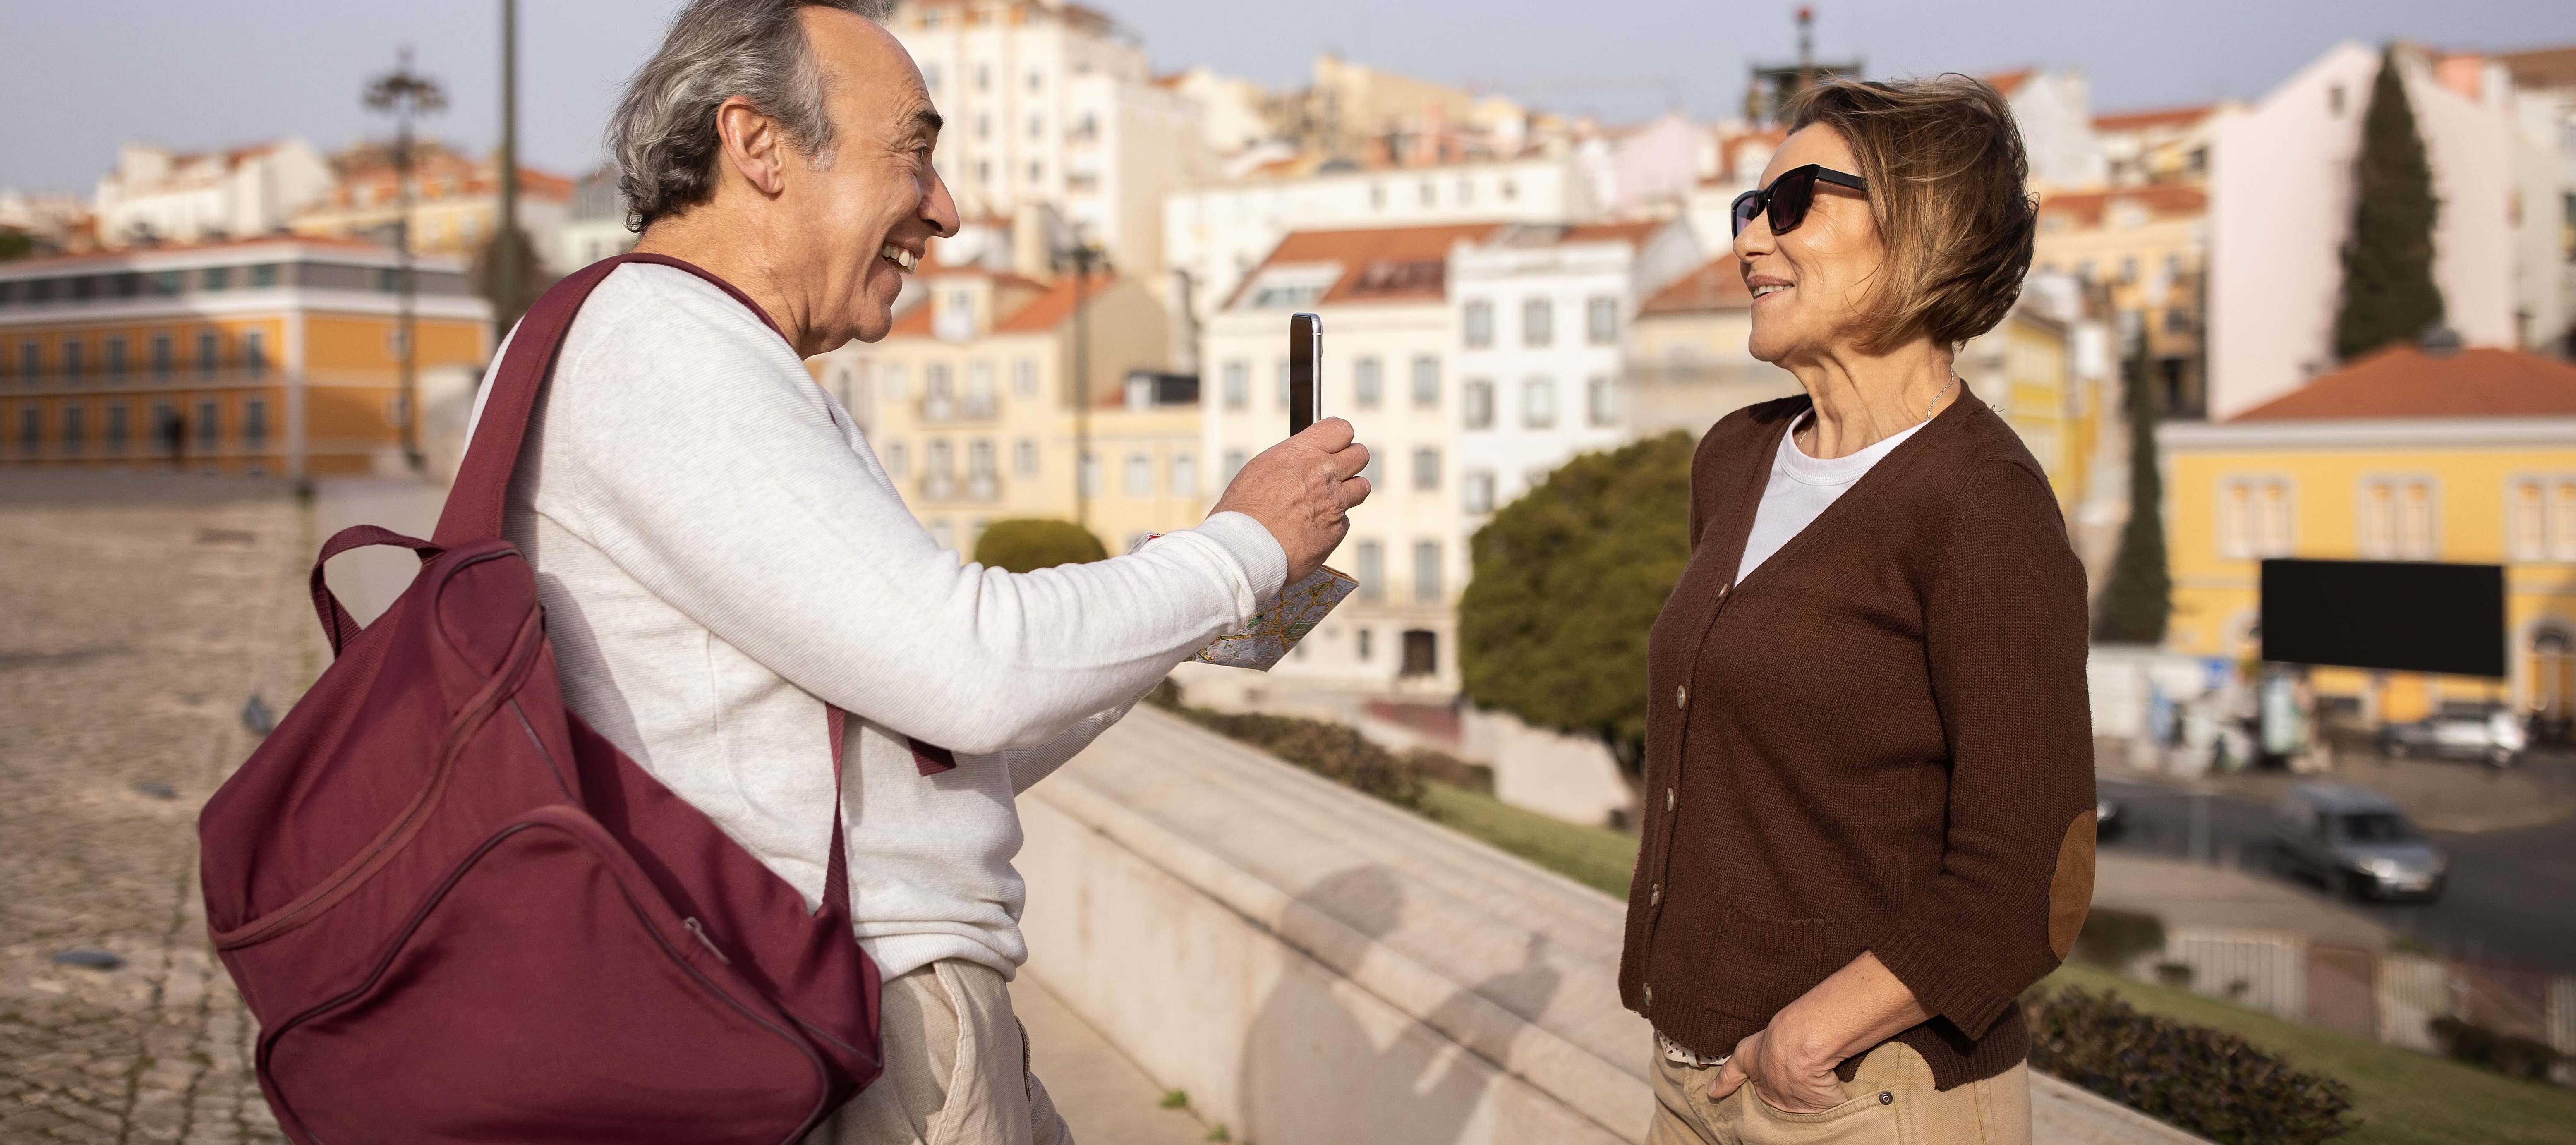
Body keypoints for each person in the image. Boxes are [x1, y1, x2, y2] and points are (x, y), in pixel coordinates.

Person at [470, 2, 1370, 1141]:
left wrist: (1215, 599)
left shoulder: (672, 348)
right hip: (840, 1018)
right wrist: (1236, 549)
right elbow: (970, 670)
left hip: (819, 997)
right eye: (916, 152)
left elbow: (937, 746)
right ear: (758, 147)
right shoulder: (665, 348)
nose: (942, 210)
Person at [1619, 76, 2095, 1145]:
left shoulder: (1982, 507)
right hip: (1693, 1076)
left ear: (1921, 229)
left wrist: (1810, 1032)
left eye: (1794, 205)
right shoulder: (1734, 458)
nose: (1750, 242)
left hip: (1866, 1097)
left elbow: (2034, 873)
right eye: (1749, 208)